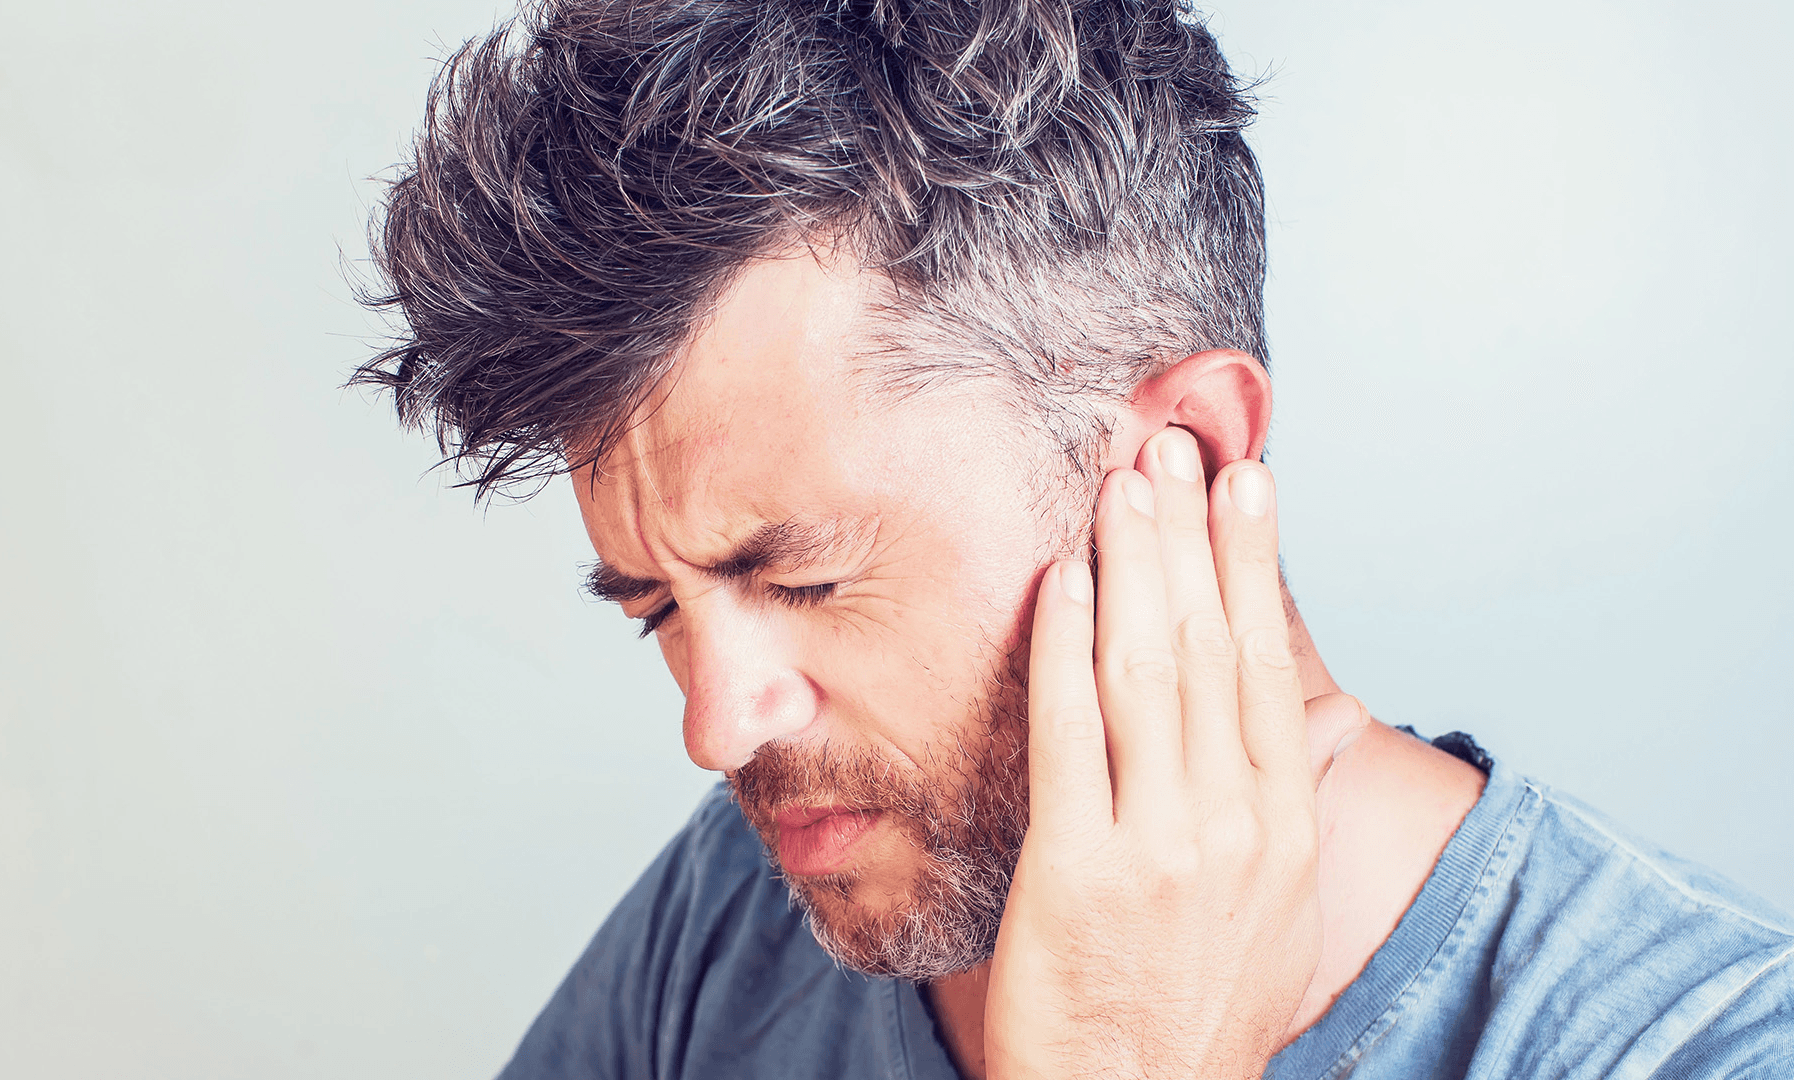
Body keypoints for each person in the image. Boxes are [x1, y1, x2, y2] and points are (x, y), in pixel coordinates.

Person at [353, 0, 1794, 1075]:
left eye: (803, 576)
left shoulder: (1708, 1045)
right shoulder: (735, 917)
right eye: (658, 610)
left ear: (1186, 457)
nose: (716, 727)